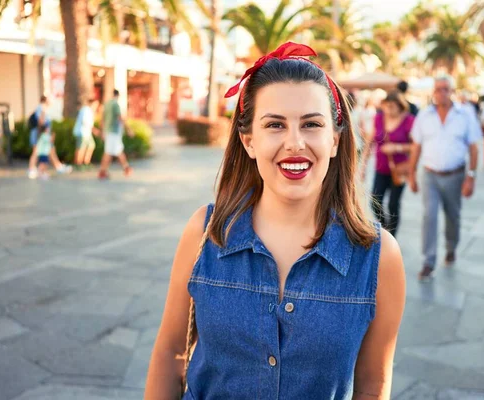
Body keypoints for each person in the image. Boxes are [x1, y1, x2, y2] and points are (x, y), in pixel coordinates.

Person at [144, 42, 406, 400]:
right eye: (275, 125)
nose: (294, 143)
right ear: (249, 141)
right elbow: (170, 353)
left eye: (311, 124)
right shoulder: (204, 233)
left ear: (334, 139)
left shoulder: (379, 257)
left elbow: (373, 384)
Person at [408, 77, 482, 281]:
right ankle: (428, 261)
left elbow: (474, 148)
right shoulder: (424, 115)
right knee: (429, 216)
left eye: (445, 89)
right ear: (433, 92)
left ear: (452, 91)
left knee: (453, 215)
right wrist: (411, 173)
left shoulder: (465, 114)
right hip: (430, 174)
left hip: (455, 175)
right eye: (438, 89)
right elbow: (417, 146)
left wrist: (471, 177)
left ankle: (451, 247)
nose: (441, 93)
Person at [361, 91, 414, 237]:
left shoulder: (408, 120)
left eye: (392, 106)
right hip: (381, 168)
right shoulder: (378, 118)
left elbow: (416, 145)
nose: (389, 110)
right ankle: (386, 230)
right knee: (375, 201)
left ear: (400, 106)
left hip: (399, 169)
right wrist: (363, 166)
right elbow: (370, 141)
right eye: (386, 106)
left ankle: (392, 237)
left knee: (393, 204)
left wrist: (397, 147)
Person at [28, 96, 72, 179]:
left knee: (51, 150)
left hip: (43, 135)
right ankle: (32, 169)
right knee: (36, 151)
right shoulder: (41, 108)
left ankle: (58, 166)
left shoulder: (43, 108)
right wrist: (46, 131)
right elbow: (41, 121)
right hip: (40, 136)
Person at [98, 90, 133, 179]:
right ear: (117, 96)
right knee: (112, 151)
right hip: (114, 132)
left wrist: (102, 131)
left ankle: (125, 168)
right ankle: (103, 171)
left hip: (108, 131)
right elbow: (120, 117)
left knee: (115, 150)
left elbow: (102, 119)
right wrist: (128, 129)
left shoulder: (106, 105)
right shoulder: (115, 104)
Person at [73, 98, 99, 170]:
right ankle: (78, 164)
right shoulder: (86, 110)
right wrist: (94, 130)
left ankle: (86, 162)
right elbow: (85, 122)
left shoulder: (90, 111)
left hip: (87, 133)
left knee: (91, 146)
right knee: (81, 148)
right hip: (82, 132)